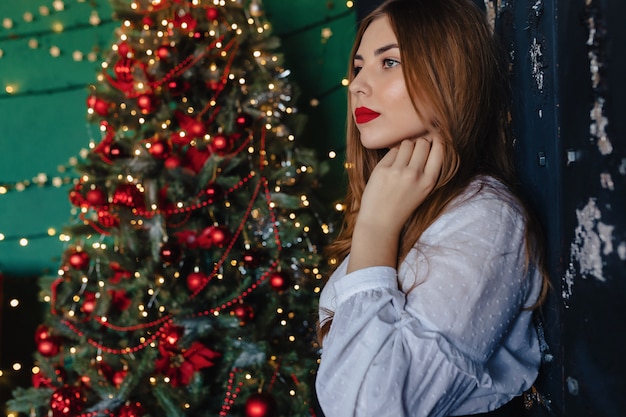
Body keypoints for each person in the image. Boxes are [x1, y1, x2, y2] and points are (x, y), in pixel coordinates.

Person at [315, 0, 549, 416]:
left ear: (449, 75)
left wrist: (375, 227)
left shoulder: (487, 218)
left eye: (389, 62)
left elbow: (369, 408)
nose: (357, 85)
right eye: (358, 66)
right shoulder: (406, 200)